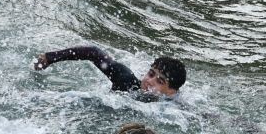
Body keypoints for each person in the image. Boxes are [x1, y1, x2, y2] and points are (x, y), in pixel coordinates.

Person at [34, 47, 185, 101]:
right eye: (151, 74)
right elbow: (93, 52)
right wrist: (51, 57)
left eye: (160, 81)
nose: (149, 81)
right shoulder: (126, 80)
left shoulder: (171, 108)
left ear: (171, 91)